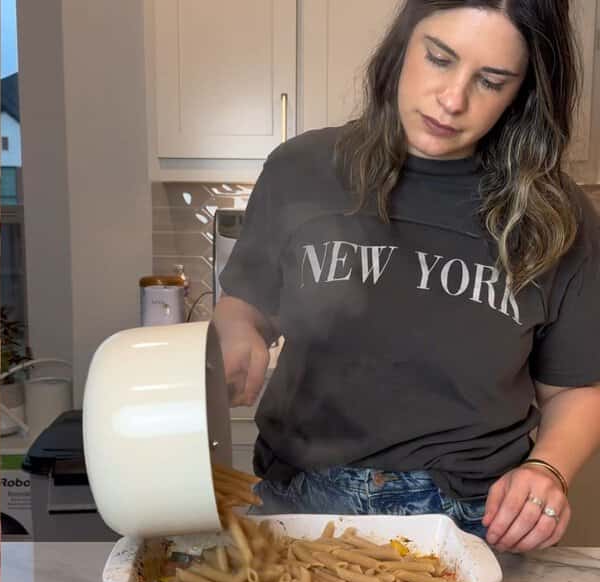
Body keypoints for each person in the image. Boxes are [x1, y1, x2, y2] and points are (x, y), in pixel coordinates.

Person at [215, 0, 600, 553]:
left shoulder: (558, 218)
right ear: (402, 44)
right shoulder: (302, 168)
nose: (453, 99)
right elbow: (245, 305)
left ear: (524, 92)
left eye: (491, 81)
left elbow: (574, 390)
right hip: (295, 501)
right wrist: (237, 330)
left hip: (466, 517)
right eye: (440, 58)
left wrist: (548, 471)